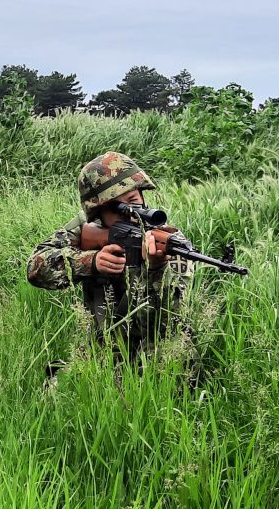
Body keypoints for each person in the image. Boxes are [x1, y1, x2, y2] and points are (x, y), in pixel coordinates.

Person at [27, 151, 193, 367]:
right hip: (102, 352)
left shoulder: (167, 242)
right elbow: (35, 268)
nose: (131, 213)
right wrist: (91, 262)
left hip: (156, 356)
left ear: (142, 196)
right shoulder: (86, 229)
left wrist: (155, 269)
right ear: (97, 213)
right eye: (118, 208)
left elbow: (170, 318)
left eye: (134, 201)